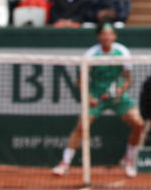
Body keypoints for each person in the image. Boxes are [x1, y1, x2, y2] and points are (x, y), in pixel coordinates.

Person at [52, 23, 144, 178]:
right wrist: (88, 97)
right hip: (96, 95)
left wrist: (121, 89)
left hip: (118, 96)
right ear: (99, 36)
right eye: (104, 34)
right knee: (81, 126)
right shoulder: (91, 54)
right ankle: (65, 163)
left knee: (138, 124)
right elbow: (81, 80)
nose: (107, 37)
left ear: (114, 36)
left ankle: (128, 160)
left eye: (110, 34)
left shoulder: (122, 52)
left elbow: (128, 79)